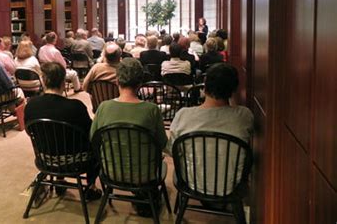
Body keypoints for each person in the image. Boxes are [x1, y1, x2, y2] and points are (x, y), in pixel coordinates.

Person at [90, 57, 167, 217]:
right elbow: (162, 143)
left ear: (117, 80)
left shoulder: (103, 107)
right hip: (144, 174)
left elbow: (94, 139)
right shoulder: (152, 110)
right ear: (140, 82)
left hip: (110, 171)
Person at [167, 63, 254, 193]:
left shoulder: (183, 115)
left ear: (205, 85)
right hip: (231, 186)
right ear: (234, 88)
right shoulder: (244, 115)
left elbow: (171, 150)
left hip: (191, 182)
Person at [24, 62, 102, 200]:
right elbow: (91, 133)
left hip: (45, 158)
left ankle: (59, 180)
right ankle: (91, 187)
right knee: (97, 147)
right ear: (63, 81)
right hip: (77, 161)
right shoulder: (76, 107)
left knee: (56, 140)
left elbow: (29, 132)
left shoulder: (31, 105)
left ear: (43, 80)